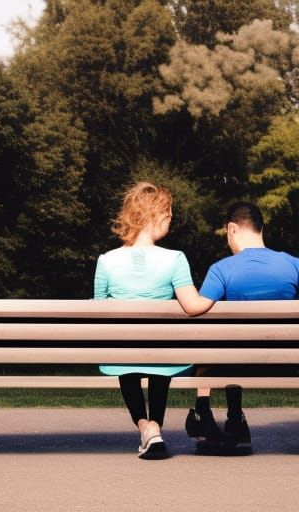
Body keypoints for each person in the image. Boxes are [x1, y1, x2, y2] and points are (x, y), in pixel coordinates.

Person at [94, 182, 212, 460]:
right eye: (169, 213)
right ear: (157, 214)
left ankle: (145, 427)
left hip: (118, 355)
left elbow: (97, 311)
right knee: (160, 359)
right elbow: (192, 305)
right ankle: (155, 424)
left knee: (127, 359)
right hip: (163, 352)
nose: (171, 218)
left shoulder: (107, 260)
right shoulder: (174, 259)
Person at [185, 202, 299, 448]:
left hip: (234, 363)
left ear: (232, 229)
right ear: (260, 230)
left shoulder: (222, 269)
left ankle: (207, 413)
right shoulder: (292, 264)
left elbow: (197, 308)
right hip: (288, 364)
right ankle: (235, 419)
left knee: (214, 338)